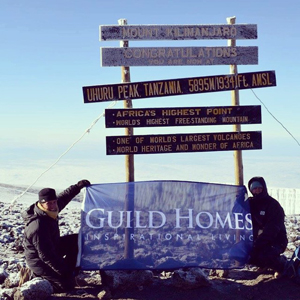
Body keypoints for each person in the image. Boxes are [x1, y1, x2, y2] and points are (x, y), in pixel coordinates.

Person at [21, 179, 90, 292]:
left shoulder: (51, 210)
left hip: (52, 246)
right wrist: (64, 271)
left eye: (54, 202)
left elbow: (64, 197)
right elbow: (46, 255)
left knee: (77, 239)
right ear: (42, 203)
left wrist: (77, 186)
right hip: (38, 260)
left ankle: (68, 272)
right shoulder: (38, 225)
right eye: (49, 203)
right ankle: (38, 279)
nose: (53, 205)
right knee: (66, 286)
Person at [247, 176, 288, 275]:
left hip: (275, 240)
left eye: (259, 188)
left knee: (264, 254)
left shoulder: (273, 205)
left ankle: (280, 265)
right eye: (254, 189)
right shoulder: (250, 203)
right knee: (246, 254)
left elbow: (273, 229)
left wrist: (257, 244)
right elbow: (237, 212)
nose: (257, 191)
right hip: (258, 239)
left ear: (264, 188)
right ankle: (263, 265)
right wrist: (238, 201)